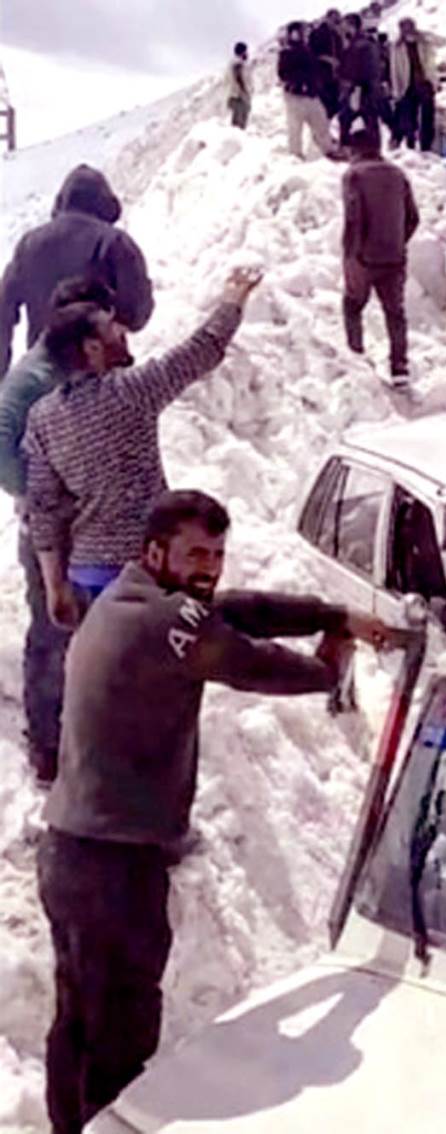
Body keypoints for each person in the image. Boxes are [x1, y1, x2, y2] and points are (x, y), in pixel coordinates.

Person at [37, 488, 406, 1134]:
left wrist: (332, 613)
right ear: (156, 553)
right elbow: (248, 661)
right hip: (113, 870)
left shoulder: (129, 600)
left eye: (216, 554)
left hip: (73, 851)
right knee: (120, 1033)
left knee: (78, 1020)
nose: (209, 567)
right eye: (195, 554)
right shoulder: (167, 624)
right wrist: (329, 666)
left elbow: (239, 611)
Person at [23, 266, 262, 631]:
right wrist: (233, 300)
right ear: (92, 348)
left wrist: (55, 587)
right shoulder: (129, 392)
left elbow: (43, 507)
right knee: (157, 661)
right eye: (111, 328)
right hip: (145, 570)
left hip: (87, 575)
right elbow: (199, 352)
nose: (122, 331)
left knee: (103, 661)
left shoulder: (42, 417)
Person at [0, 277, 117, 784]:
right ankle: (46, 743)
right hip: (52, 533)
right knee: (52, 631)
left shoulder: (71, 370)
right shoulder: (34, 380)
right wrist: (46, 493)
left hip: (87, 529)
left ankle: (85, 732)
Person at [0, 165, 154, 374]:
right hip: (99, 375)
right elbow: (137, 313)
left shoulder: (28, 244)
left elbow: (3, 310)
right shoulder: (116, 243)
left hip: (42, 373)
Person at [342, 130, 420, 382]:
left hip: (363, 258)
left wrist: (352, 254)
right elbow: (413, 218)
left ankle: (356, 357)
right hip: (394, 256)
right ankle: (400, 367)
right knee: (395, 312)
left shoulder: (354, 175)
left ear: (355, 150)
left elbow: (353, 218)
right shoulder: (398, 175)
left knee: (352, 305)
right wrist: (397, 241)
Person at [277, 21, 337, 159]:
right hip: (295, 95)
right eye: (299, 32)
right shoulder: (286, 52)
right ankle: (295, 155)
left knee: (321, 122)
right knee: (295, 128)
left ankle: (328, 149)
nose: (302, 34)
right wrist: (301, 80)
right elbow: (283, 74)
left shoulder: (308, 50)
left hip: (311, 94)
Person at [391, 18, 446, 152]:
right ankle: (411, 143)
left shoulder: (424, 41)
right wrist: (397, 90)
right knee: (410, 117)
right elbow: (394, 69)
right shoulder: (397, 46)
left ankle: (426, 145)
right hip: (408, 84)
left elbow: (443, 42)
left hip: (425, 83)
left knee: (427, 116)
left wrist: (425, 35)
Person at [338, 13, 383, 148]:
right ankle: (373, 148)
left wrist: (351, 86)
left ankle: (348, 147)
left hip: (360, 88)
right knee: (369, 118)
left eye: (345, 25)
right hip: (368, 87)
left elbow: (355, 68)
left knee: (348, 118)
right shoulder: (366, 42)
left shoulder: (359, 45)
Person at [226, 42, 252, 129]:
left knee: (237, 121)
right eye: (246, 51)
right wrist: (245, 93)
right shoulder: (238, 64)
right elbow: (240, 79)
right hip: (239, 96)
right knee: (239, 124)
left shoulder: (233, 63)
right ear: (242, 52)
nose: (247, 54)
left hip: (234, 95)